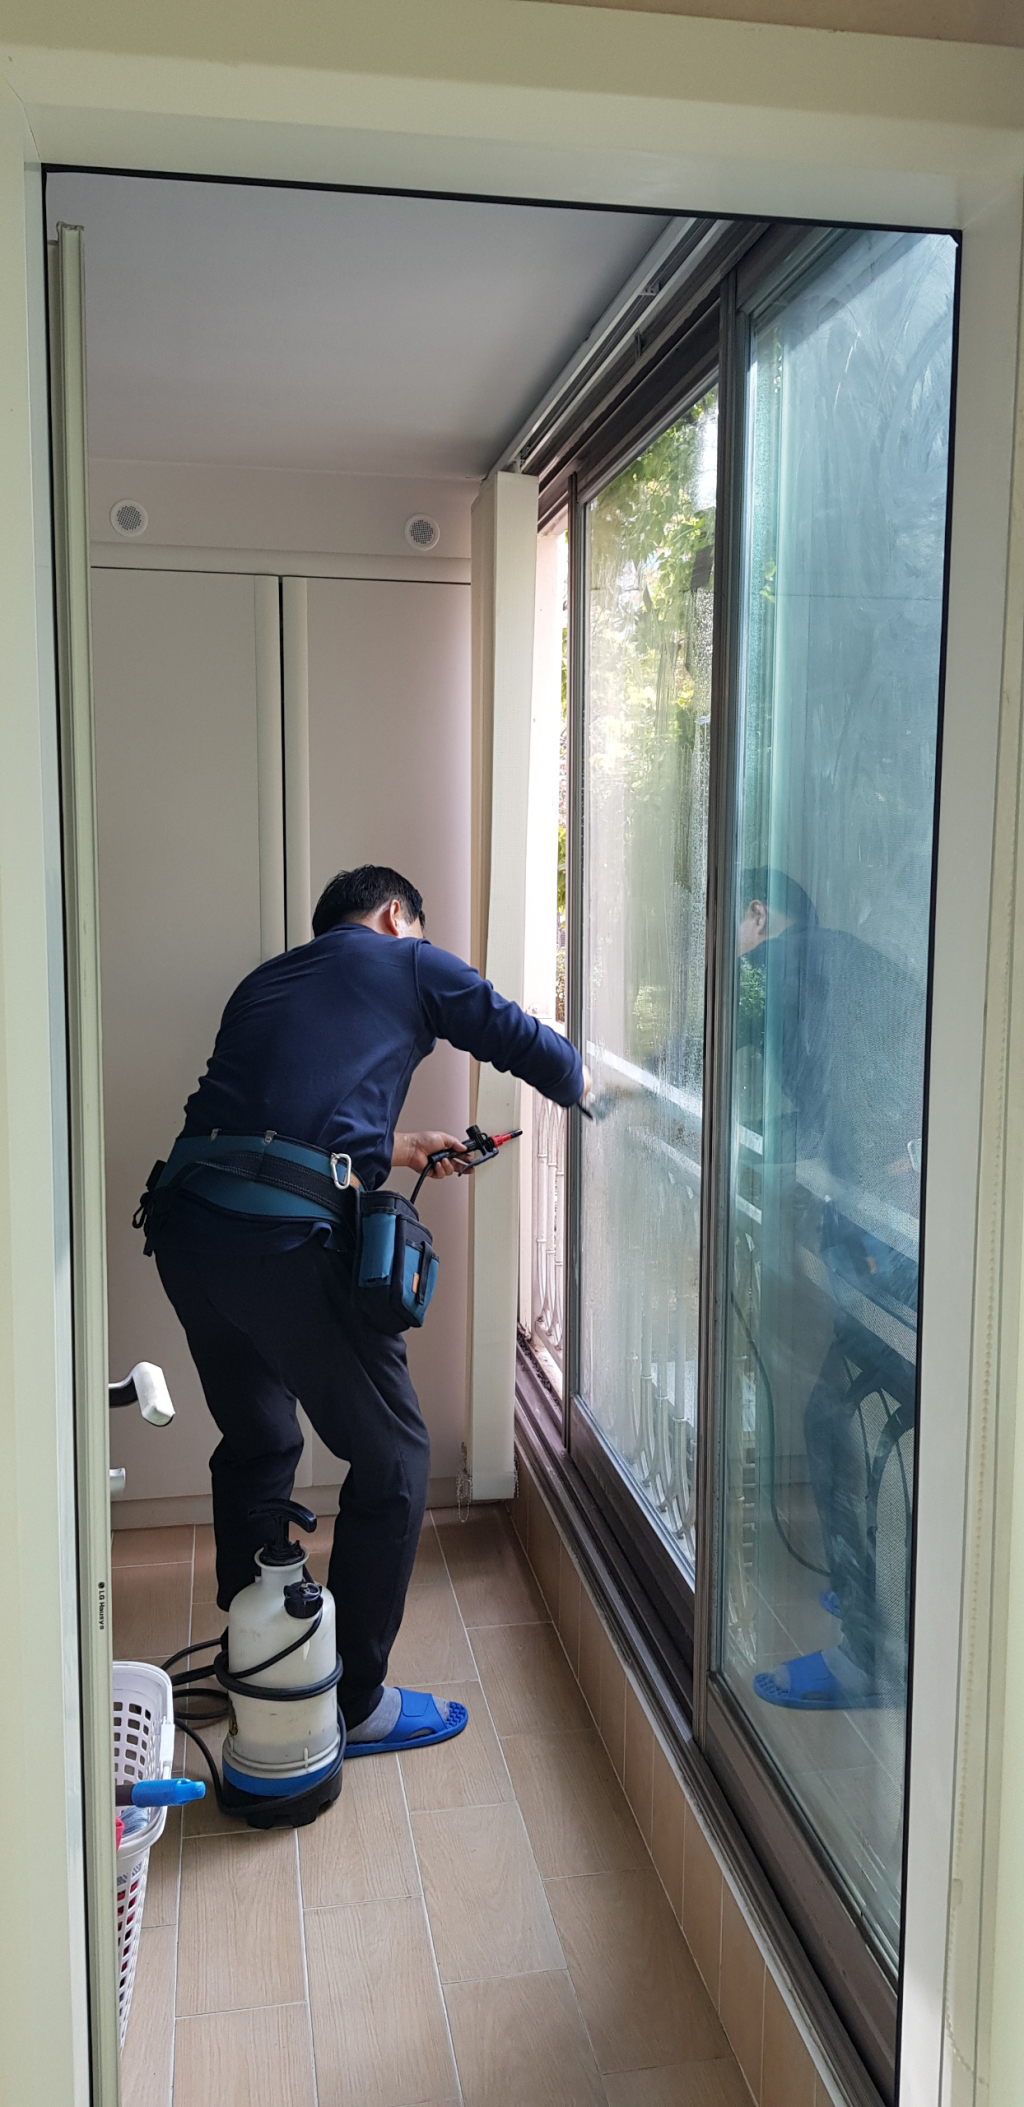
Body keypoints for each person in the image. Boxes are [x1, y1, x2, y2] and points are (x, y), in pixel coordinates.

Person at [142, 864, 588, 1756]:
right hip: (283, 1245)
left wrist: (399, 1145)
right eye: (414, 929)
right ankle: (353, 1701)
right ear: (394, 916)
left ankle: (259, 1653)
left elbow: (279, 1121)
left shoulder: (267, 981)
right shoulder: (406, 960)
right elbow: (520, 1037)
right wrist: (587, 1084)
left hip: (187, 1232)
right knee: (394, 1456)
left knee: (262, 1438)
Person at [736, 868, 923, 1712]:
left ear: (759, 915)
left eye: (732, 927)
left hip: (890, 1228)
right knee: (867, 1414)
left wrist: (767, 1151)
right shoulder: (840, 958)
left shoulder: (788, 961)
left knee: (836, 1417)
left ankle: (869, 1652)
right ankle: (872, 1597)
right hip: (899, 1217)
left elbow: (834, 1103)